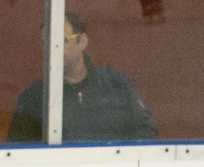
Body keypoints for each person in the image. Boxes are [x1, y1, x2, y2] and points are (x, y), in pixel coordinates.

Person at [8, 11, 157, 143]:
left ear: (83, 41)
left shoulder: (117, 83)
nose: (52, 49)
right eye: (46, 43)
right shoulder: (32, 99)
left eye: (62, 41)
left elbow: (147, 134)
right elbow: (20, 153)